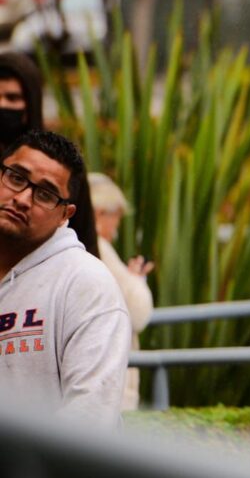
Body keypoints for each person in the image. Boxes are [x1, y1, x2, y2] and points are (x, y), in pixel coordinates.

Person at [0, 130, 130, 426]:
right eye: (16, 177)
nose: (22, 199)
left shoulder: (85, 283)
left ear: (64, 214)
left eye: (45, 194)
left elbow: (90, 418)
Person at [0, 52, 100, 256]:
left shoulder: (61, 166)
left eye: (12, 98)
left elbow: (85, 240)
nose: (22, 199)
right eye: (16, 178)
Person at [89, 172, 154, 411]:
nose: (117, 223)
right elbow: (137, 312)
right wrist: (137, 280)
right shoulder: (100, 248)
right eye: (115, 215)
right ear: (99, 213)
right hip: (111, 384)